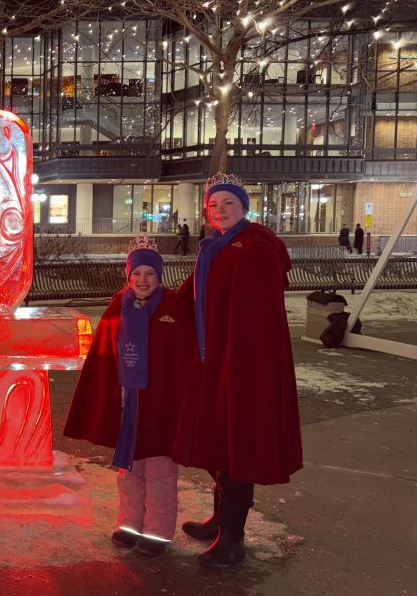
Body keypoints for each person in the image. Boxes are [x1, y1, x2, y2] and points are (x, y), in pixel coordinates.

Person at [175, 173, 302, 570]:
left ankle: (232, 540)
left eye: (228, 203)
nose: (219, 210)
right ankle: (220, 522)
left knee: (236, 447)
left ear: (244, 207)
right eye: (213, 205)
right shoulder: (215, 247)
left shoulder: (255, 246)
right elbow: (190, 297)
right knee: (215, 440)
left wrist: (242, 359)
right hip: (214, 360)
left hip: (245, 364)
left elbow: (258, 315)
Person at [64, 237, 198, 557]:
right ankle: (130, 525)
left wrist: (185, 400)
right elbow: (104, 354)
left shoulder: (172, 306)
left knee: (160, 471)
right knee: (129, 470)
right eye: (136, 273)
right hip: (129, 404)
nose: (142, 280)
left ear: (159, 275)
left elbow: (185, 357)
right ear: (129, 275)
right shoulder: (119, 305)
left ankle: (157, 532)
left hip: (162, 405)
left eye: (149, 273)